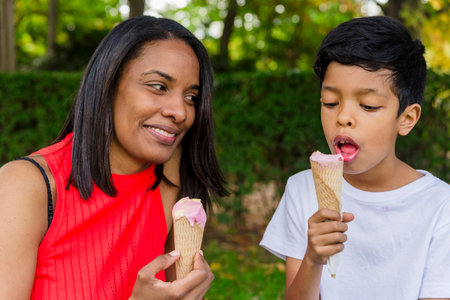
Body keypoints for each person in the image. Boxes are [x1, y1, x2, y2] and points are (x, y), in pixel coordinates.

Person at [0, 15, 228, 299]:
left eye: (191, 97)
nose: (180, 112)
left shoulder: (173, 177)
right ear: (107, 84)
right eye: (159, 87)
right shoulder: (26, 186)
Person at [260, 16, 450, 299]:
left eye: (368, 105)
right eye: (331, 103)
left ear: (407, 118)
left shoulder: (440, 207)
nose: (344, 118)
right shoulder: (302, 190)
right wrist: (313, 259)